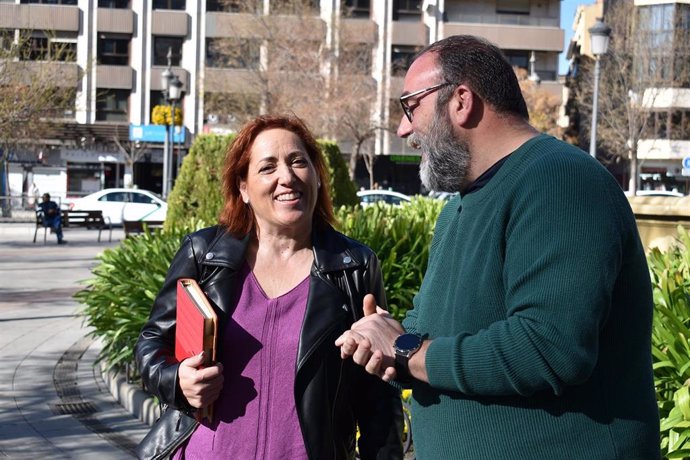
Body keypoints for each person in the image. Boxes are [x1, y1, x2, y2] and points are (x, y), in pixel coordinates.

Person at [336, 35, 660, 459]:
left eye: (410, 106)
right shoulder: (458, 209)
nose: (403, 128)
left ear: (461, 100)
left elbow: (549, 347)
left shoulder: (559, 179)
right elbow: (428, 333)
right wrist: (383, 343)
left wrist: (407, 351)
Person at [135, 114, 403, 460]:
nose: (287, 177)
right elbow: (151, 343)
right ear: (243, 188)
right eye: (267, 167)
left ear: (318, 177)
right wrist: (177, 380)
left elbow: (377, 394)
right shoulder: (205, 255)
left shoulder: (353, 265)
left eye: (298, 162)